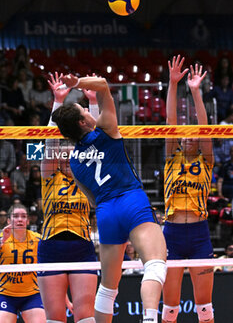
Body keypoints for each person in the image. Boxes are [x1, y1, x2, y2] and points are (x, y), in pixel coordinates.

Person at [52, 73, 167, 323]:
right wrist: (78, 84)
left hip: (106, 212)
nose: (87, 109)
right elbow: (103, 85)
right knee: (155, 264)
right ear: (84, 122)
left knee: (108, 287)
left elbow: (92, 200)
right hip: (131, 199)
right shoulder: (106, 130)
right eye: (84, 108)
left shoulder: (73, 160)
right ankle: (149, 319)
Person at [38, 72, 98, 323]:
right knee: (55, 317)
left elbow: (97, 140)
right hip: (51, 246)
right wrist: (58, 102)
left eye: (68, 152)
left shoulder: (87, 177)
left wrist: (93, 102)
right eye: (60, 154)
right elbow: (51, 143)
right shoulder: (50, 177)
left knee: (85, 316)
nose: (64, 156)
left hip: (81, 245)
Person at [162, 55, 214, 323]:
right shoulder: (172, 156)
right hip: (171, 234)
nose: (189, 134)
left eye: (194, 132)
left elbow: (205, 129)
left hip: (199, 233)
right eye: (184, 132)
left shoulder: (206, 161)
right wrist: (173, 85)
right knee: (170, 311)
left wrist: (196, 92)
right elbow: (171, 121)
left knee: (204, 311)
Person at [0, 204, 46, 323]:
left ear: (28, 220)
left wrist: (66, 301)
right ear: (9, 220)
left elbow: (53, 265)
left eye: (23, 216)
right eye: (15, 216)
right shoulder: (1, 238)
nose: (20, 219)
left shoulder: (38, 240)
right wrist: (3, 241)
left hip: (32, 294)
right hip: (5, 294)